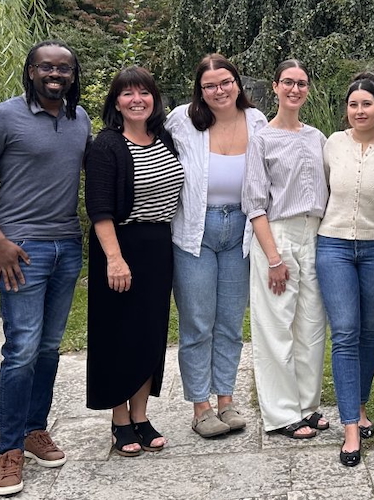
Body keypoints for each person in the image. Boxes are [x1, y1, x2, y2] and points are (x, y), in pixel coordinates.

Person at [0, 40, 88, 496]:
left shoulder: (80, 119)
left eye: (64, 69)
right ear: (31, 71)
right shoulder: (3, 117)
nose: (55, 75)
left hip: (67, 247)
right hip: (21, 250)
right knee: (21, 349)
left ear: (73, 75)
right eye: (46, 67)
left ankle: (35, 430)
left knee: (50, 347)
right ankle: (8, 450)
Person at [83, 66, 183, 457]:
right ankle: (119, 420)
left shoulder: (165, 138)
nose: (137, 100)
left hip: (158, 245)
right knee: (116, 336)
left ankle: (141, 417)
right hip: (120, 244)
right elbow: (100, 207)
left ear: (154, 99)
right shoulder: (107, 145)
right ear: (116, 102)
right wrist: (114, 259)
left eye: (144, 92)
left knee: (149, 333)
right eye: (127, 94)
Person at [166, 54, 266, 439]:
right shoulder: (181, 120)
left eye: (225, 82)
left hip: (241, 230)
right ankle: (200, 406)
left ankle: (226, 398)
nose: (219, 90)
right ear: (200, 90)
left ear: (237, 83)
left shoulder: (256, 122)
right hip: (194, 229)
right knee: (197, 322)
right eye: (209, 85)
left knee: (229, 321)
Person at [243, 59, 331, 440]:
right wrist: (274, 258)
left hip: (317, 234)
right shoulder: (262, 138)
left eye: (302, 83)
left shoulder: (318, 138)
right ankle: (281, 414)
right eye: (288, 83)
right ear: (276, 87)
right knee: (275, 325)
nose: (295, 89)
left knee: (311, 325)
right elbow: (254, 203)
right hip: (276, 235)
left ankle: (307, 406)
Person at [318, 73, 374, 467]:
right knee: (345, 332)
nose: (359, 110)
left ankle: (360, 406)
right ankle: (350, 427)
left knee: (369, 331)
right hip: (332, 246)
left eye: (367, 103)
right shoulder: (332, 144)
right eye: (353, 104)